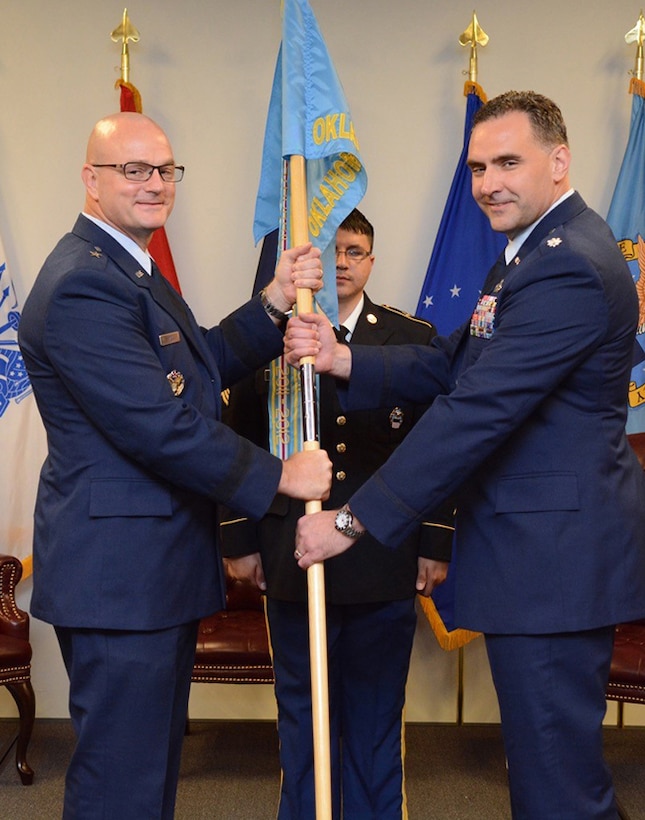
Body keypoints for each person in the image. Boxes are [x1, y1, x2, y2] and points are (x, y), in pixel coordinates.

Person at [285, 91, 645, 819]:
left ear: (559, 160)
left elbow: (475, 412)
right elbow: (459, 361)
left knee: (558, 790)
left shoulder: (565, 263)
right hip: (537, 558)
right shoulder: (527, 254)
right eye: (477, 166)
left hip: (552, 565)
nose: (487, 183)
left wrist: (351, 522)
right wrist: (344, 360)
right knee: (546, 776)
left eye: (508, 162)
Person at [17, 111, 332, 820]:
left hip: (147, 571)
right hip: (120, 575)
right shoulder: (82, 285)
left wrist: (276, 303)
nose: (155, 184)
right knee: (120, 784)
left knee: (146, 770)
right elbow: (156, 426)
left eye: (164, 169)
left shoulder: (129, 267)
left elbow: (191, 369)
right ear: (90, 180)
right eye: (133, 169)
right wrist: (279, 477)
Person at [220, 209, 454, 820]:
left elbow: (438, 447)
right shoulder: (267, 335)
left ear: (372, 260)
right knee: (302, 715)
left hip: (381, 555)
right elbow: (236, 436)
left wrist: (435, 538)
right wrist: (240, 539)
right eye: (332, 251)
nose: (343, 262)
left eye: (355, 251)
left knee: (376, 718)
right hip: (290, 552)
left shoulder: (411, 338)